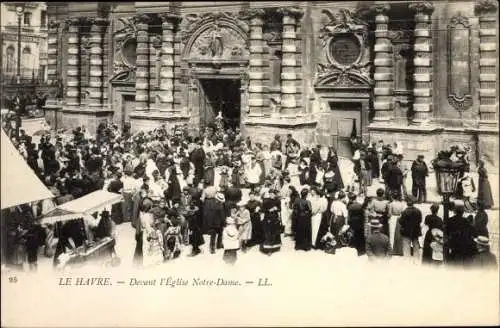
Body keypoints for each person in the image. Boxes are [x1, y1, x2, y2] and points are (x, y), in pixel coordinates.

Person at [398, 196, 422, 263]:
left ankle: (407, 259)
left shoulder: (404, 212)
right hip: (415, 230)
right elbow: (420, 220)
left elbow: (401, 221)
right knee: (416, 245)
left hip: (406, 231)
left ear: (407, 203)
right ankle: (416, 259)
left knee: (406, 245)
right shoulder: (418, 211)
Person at [203, 190, 226, 254]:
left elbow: (207, 213)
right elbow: (222, 216)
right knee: (220, 234)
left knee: (213, 236)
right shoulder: (220, 206)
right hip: (218, 223)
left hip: (211, 222)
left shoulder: (211, 203)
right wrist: (224, 223)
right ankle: (219, 245)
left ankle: (212, 248)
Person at [260, 190, 282, 255]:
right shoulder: (266, 201)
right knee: (268, 233)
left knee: (275, 232)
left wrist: (276, 209)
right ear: (269, 194)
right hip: (268, 218)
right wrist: (269, 210)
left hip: (275, 218)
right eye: (270, 194)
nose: (272, 195)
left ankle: (275, 247)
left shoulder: (278, 201)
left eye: (273, 194)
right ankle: (269, 249)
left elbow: (280, 209)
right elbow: (262, 210)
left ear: (275, 195)